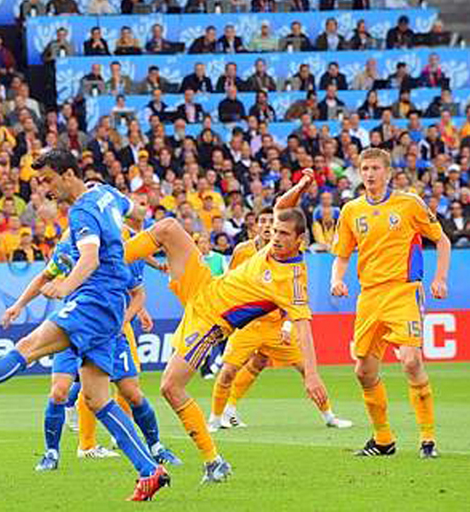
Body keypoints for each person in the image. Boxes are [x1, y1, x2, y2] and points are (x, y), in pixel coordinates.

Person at [0, 150, 170, 501]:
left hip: (93, 301)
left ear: (69, 174)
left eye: (49, 180)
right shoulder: (106, 193)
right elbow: (141, 214)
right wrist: (127, 243)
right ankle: (149, 470)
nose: (45, 189)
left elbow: (89, 257)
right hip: (112, 306)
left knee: (26, 348)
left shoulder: (83, 210)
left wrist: (65, 287)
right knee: (98, 399)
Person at [123, 204, 328, 485]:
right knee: (168, 227)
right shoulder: (270, 249)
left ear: (299, 241)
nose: (275, 237)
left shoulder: (292, 282)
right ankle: (107, 262)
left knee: (170, 387)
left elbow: (304, 328)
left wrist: (313, 375)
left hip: (210, 321)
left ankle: (214, 462)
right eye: (275, 230)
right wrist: (302, 186)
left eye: (283, 233)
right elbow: (283, 205)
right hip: (203, 286)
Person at [28, 228, 180, 471]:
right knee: (59, 392)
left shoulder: (128, 257)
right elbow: (52, 277)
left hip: (110, 333)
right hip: (73, 329)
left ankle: (156, 446)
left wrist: (127, 319)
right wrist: (54, 287)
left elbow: (137, 294)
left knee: (131, 392)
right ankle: (52, 453)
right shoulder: (71, 250)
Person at [332, 148, 451, 458]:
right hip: (369, 296)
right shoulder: (351, 210)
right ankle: (383, 440)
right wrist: (337, 279)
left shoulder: (409, 204)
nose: (369, 174)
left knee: (411, 360)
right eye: (364, 168)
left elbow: (441, 240)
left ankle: (428, 440)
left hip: (403, 291)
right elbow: (342, 254)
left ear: (387, 172)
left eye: (374, 168)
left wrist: (439, 279)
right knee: (363, 372)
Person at [208, 192, 352, 430]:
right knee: (228, 371)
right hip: (248, 325)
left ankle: (329, 416)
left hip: (276, 326)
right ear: (255, 225)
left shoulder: (292, 264)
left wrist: (286, 325)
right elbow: (231, 283)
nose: (268, 228)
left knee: (303, 369)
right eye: (263, 223)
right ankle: (216, 418)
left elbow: (293, 304)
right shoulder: (244, 251)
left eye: (271, 223)